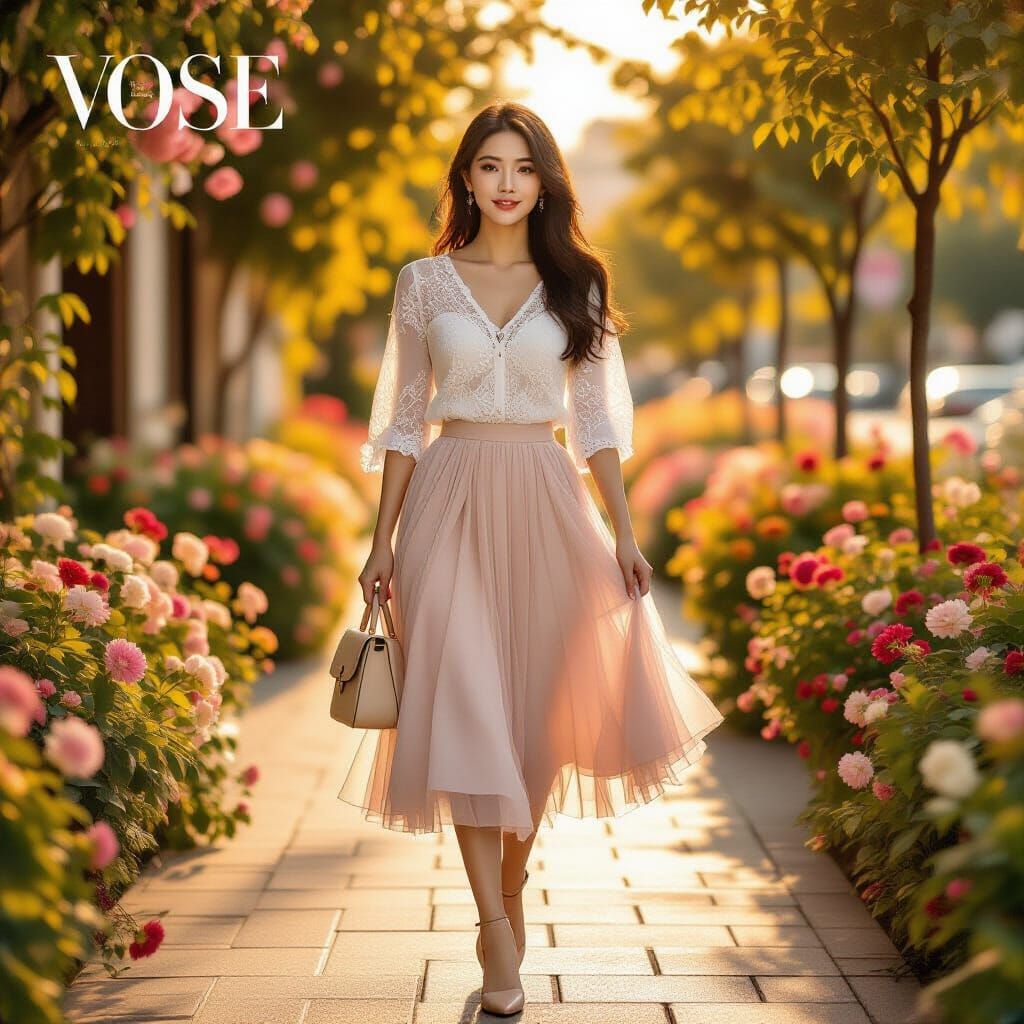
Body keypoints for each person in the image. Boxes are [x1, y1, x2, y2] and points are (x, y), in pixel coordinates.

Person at [338, 99, 725, 1016]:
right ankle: (499, 936)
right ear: (465, 179)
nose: (506, 184)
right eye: (489, 167)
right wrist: (381, 538)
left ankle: (505, 890)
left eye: (522, 168)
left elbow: (594, 425)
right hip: (449, 500)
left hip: (552, 502)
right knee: (467, 700)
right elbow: (401, 422)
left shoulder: (578, 281)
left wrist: (626, 534)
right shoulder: (424, 283)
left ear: (545, 180)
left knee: (544, 721)